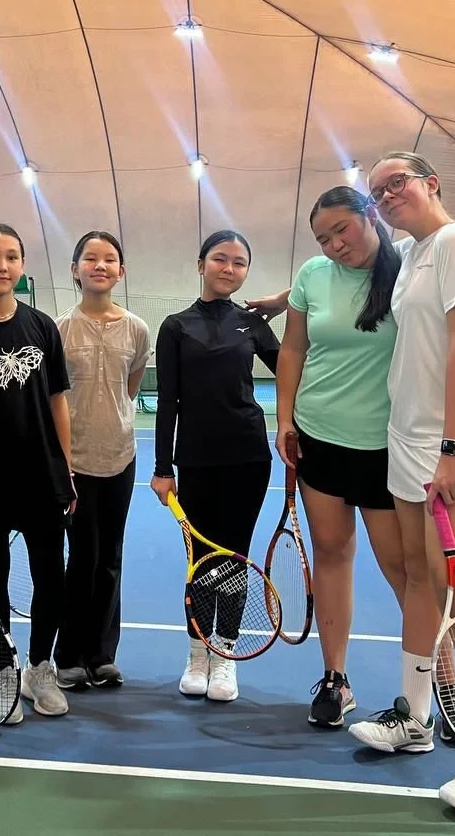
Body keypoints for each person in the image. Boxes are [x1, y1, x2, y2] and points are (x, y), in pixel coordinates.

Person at [248, 195, 455, 731]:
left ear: (372, 217)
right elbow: (293, 349)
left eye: (342, 230)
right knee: (331, 553)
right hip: (319, 439)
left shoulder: (414, 263)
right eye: (323, 238)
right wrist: (285, 419)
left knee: (412, 576)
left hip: (390, 448)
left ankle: (442, 688)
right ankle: (335, 679)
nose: (334, 245)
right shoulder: (313, 274)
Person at [343, 151, 455, 818]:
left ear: (431, 183)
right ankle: (415, 716)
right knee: (420, 580)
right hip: (407, 438)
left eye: (398, 182)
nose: (388, 195)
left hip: (450, 446)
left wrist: (454, 449)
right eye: (378, 192)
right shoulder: (415, 254)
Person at [149, 230, 279, 703]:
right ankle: (197, 654)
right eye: (220, 259)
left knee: (235, 557)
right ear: (201, 264)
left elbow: (292, 371)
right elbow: (167, 401)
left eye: (239, 262)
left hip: (249, 457)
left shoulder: (253, 323)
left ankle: (226, 654)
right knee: (201, 559)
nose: (229, 268)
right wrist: (163, 467)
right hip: (196, 461)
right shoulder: (175, 327)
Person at [0, 222, 77, 719]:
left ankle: (38, 667)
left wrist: (66, 468)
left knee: (51, 576)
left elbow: (57, 401)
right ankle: (3, 672)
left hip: (42, 476)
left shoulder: (41, 326)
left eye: (11, 256)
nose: (2, 266)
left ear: (23, 265)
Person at [53, 231, 152, 690]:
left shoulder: (137, 329)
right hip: (74, 463)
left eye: (109, 259)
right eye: (90, 258)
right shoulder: (59, 329)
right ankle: (68, 655)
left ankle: (101, 655)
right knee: (81, 559)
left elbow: (130, 387)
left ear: (121, 271)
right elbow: (54, 399)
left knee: (110, 557)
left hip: (121, 458)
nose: (100, 265)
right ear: (75, 270)